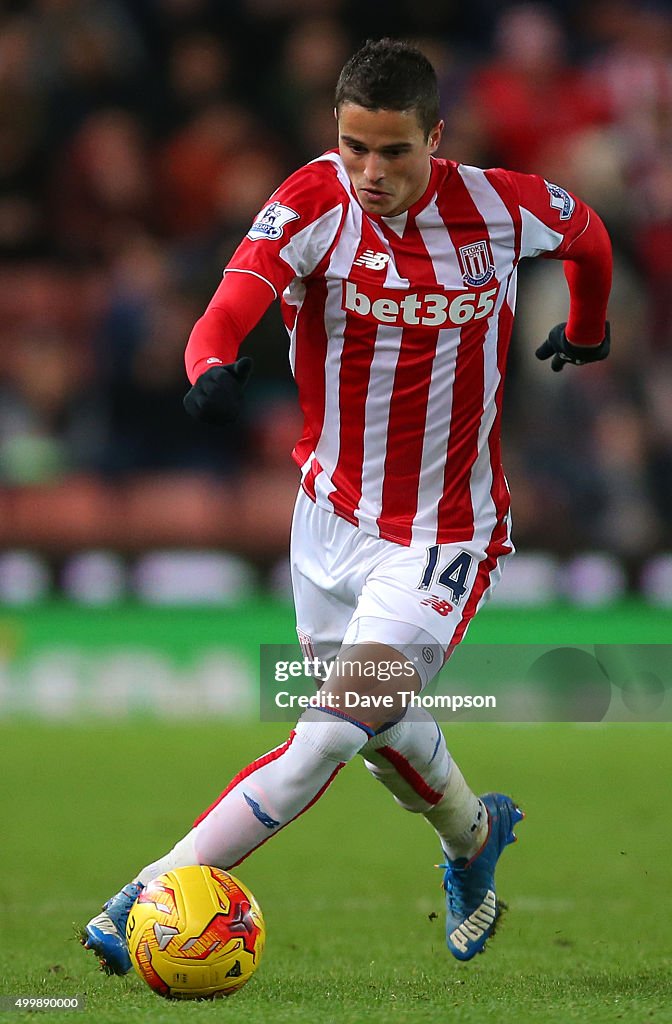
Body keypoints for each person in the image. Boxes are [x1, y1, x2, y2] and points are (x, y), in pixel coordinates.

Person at [82, 38, 611, 972]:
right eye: (354, 146)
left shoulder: (500, 205)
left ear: (436, 138)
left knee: (327, 729)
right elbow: (226, 306)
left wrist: (587, 328)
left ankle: (147, 893)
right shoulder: (311, 203)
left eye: (394, 151)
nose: (371, 172)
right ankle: (473, 836)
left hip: (445, 533)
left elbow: (590, 236)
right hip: (325, 520)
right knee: (374, 734)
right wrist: (206, 366)